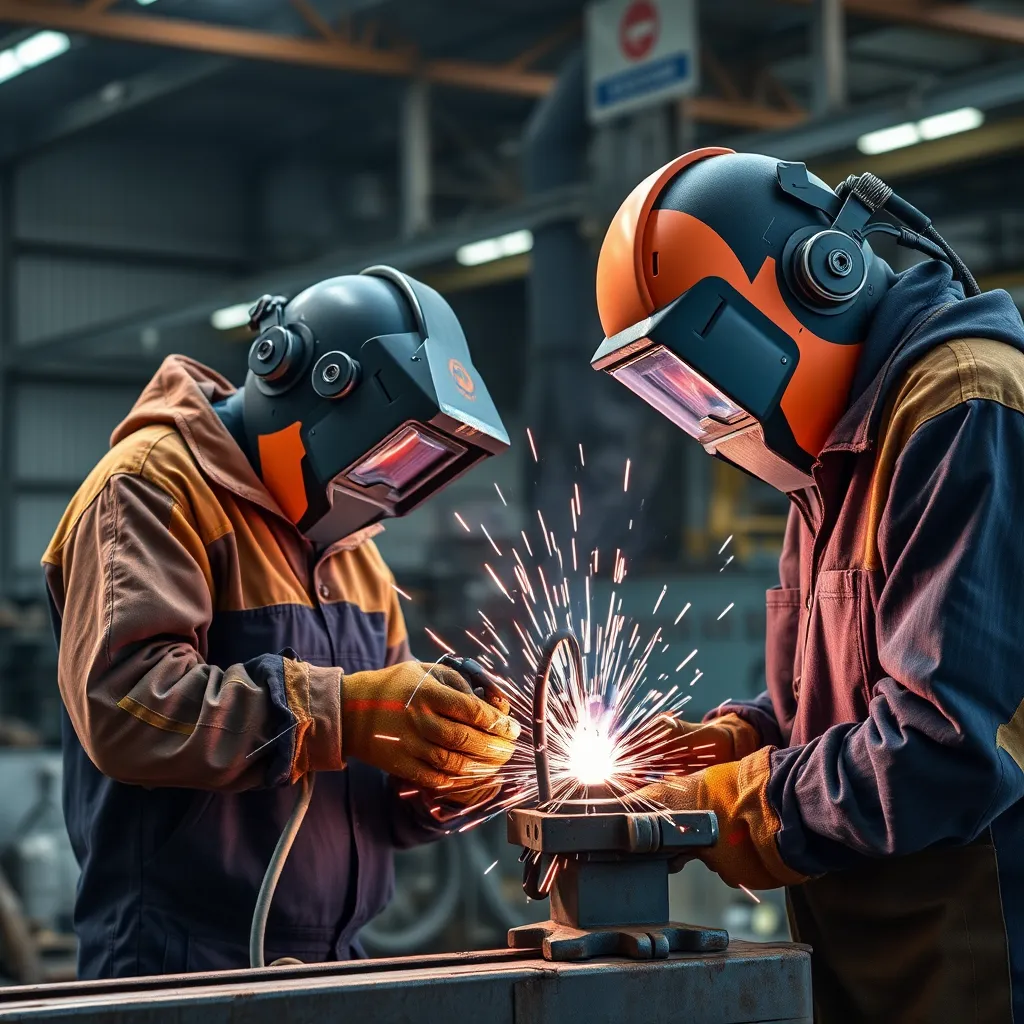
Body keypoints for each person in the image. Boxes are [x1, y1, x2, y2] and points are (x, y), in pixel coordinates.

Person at [592, 148, 1024, 1022]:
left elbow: (943, 750)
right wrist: (727, 742)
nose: (710, 416)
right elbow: (834, 705)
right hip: (875, 958)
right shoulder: (826, 455)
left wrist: (726, 805)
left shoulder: (963, 403)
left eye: (700, 374)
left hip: (986, 955)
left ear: (823, 279)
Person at [43, 267, 520, 977]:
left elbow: (379, 805)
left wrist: (444, 773)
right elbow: (127, 704)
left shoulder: (354, 556)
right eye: (380, 456)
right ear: (291, 378)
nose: (381, 488)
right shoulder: (149, 488)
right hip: (176, 964)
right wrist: (346, 713)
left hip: (334, 964)